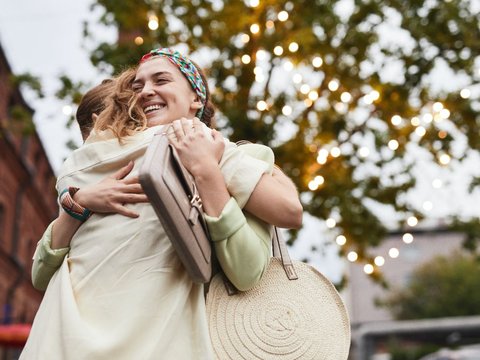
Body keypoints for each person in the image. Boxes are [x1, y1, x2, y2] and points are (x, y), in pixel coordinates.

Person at [22, 48, 302, 359]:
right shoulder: (97, 162)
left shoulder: (227, 152)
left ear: (196, 98)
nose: (146, 92)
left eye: (161, 80)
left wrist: (206, 170)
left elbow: (250, 267)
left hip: (135, 339)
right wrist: (79, 203)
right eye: (137, 86)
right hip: (80, 336)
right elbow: (40, 275)